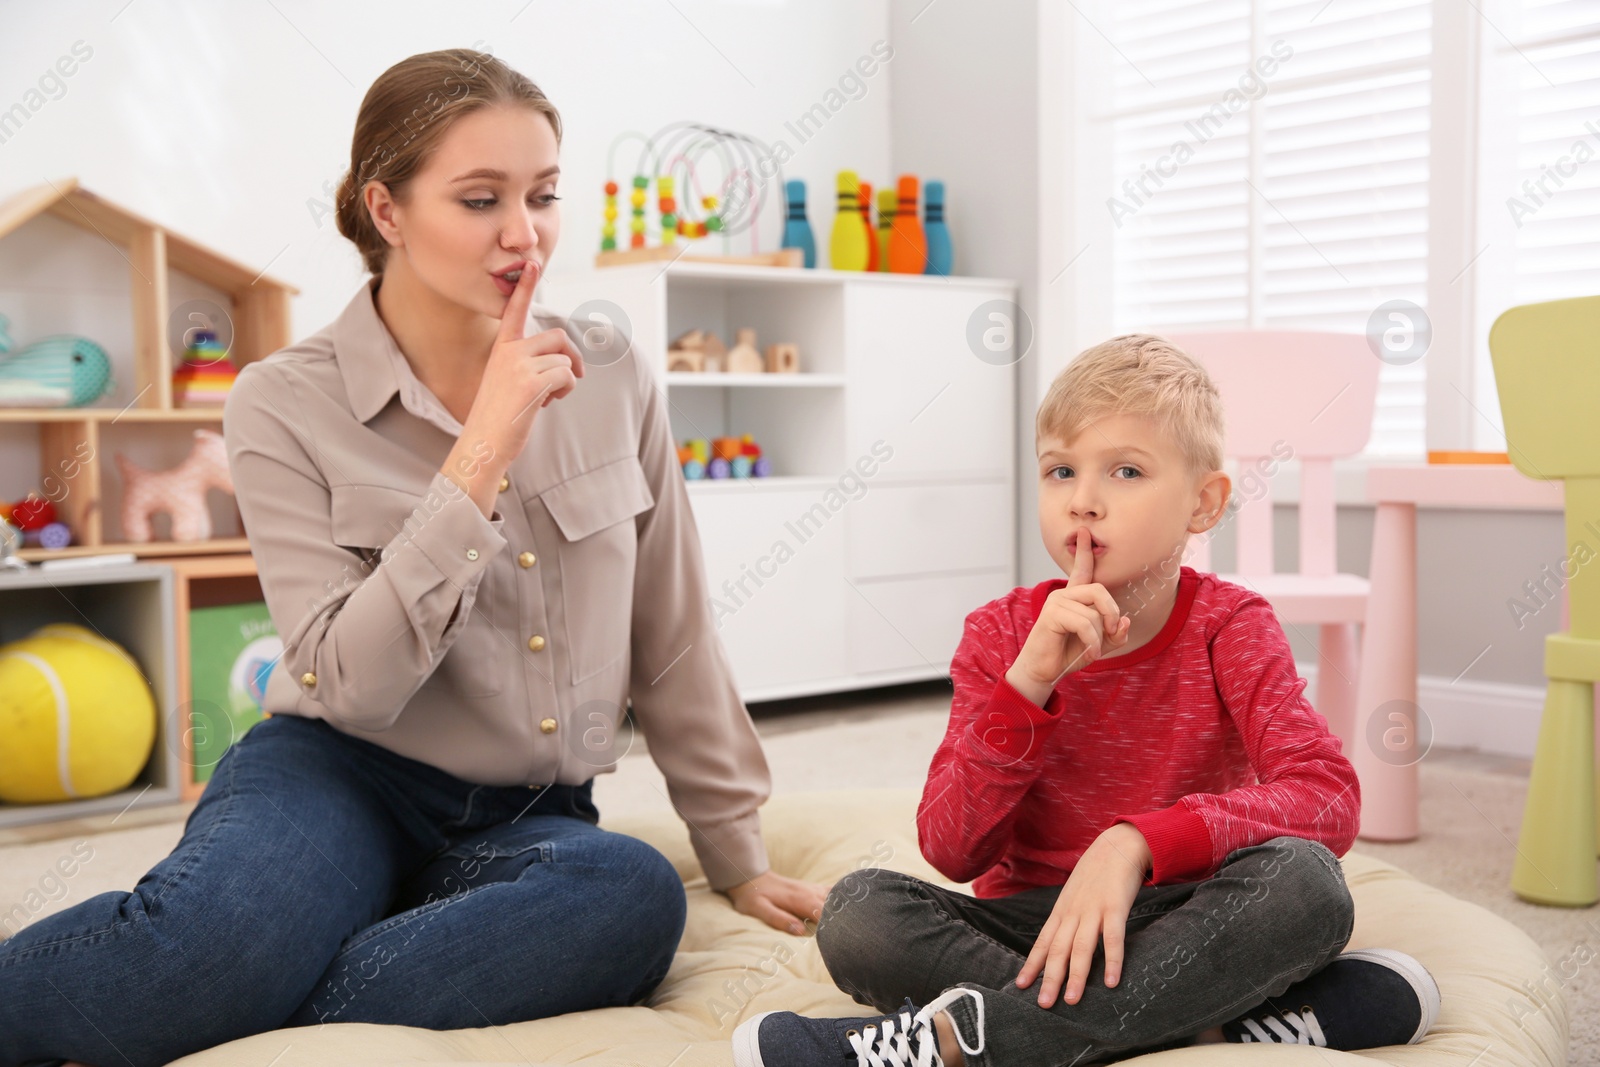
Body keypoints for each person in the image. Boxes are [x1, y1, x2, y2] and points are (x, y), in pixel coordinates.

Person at [0, 48, 826, 1067]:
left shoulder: (609, 375)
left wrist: (736, 854)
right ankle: (233, 969)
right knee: (202, 955)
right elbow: (348, 681)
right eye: (481, 199)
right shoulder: (279, 399)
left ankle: (278, 980)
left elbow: (673, 628)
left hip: (529, 809)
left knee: (628, 896)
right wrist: (482, 447)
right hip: (335, 774)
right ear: (383, 210)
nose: (524, 234)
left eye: (544, 194)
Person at [732, 336, 1442, 1066]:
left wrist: (1137, 841)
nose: (1084, 500)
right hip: (1032, 929)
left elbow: (1326, 799)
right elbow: (950, 846)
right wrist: (1027, 685)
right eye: (1060, 470)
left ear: (1204, 503)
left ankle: (963, 1039)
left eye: (1126, 470)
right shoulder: (1001, 633)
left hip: (1186, 913)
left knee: (1305, 884)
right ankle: (1202, 1023)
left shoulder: (1231, 624)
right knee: (857, 914)